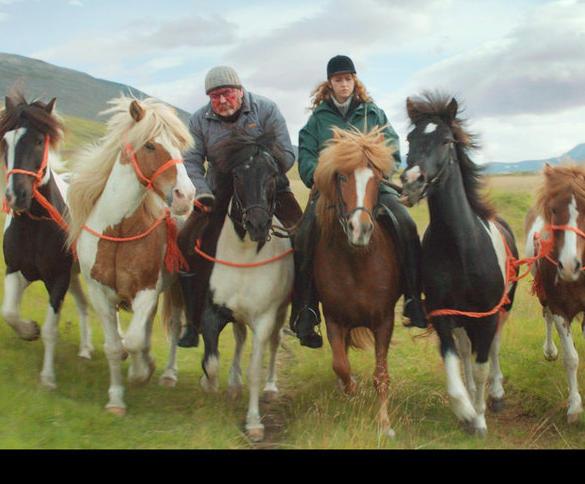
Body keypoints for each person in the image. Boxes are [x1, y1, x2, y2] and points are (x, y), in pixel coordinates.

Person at [291, 55, 427, 348]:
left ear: (355, 81)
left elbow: (391, 149)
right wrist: (317, 174)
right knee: (303, 235)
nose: (344, 84)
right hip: (333, 192)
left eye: (348, 78)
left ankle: (414, 299)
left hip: (372, 188)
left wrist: (379, 168)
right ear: (330, 84)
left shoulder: (372, 113)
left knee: (405, 222)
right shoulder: (317, 120)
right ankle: (305, 310)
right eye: (338, 80)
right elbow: (305, 154)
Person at [177, 66, 303, 347]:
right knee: (186, 240)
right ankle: (192, 320)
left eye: (227, 93)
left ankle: (302, 313)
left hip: (269, 188)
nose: (222, 100)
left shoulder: (266, 109)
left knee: (305, 236)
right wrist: (203, 193)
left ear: (239, 90)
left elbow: (286, 152)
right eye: (214, 96)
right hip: (219, 192)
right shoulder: (199, 120)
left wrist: (261, 168)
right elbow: (192, 160)